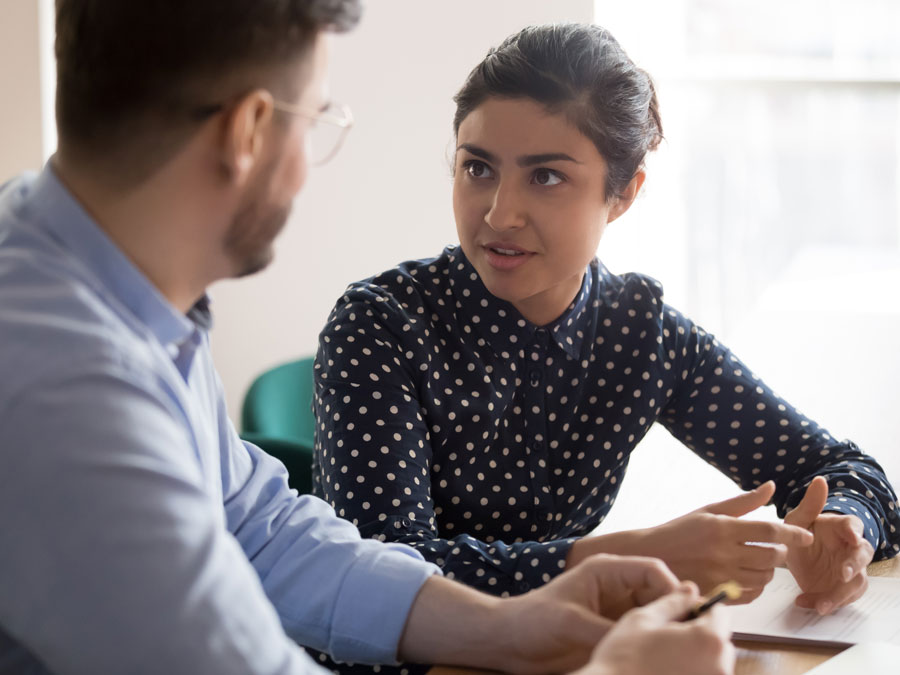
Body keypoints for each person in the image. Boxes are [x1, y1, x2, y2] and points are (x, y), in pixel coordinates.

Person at [0, 3, 736, 675]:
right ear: (249, 132)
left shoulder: (103, 293)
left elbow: (261, 530)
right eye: (316, 119)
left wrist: (511, 624)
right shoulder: (67, 390)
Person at [313, 22, 900, 616]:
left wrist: (843, 533)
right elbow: (375, 574)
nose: (500, 213)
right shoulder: (379, 327)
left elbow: (844, 471)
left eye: (546, 176)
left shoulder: (642, 338)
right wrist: (635, 561)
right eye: (478, 168)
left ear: (623, 194)